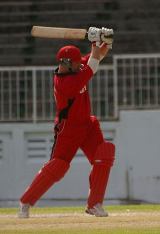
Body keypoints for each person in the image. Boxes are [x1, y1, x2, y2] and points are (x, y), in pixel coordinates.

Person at [18, 26, 115, 218]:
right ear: (66, 63)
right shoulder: (66, 83)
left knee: (104, 154)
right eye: (78, 63)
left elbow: (99, 55)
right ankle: (26, 202)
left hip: (88, 125)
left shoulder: (75, 67)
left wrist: (107, 41)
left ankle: (94, 204)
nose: (81, 64)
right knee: (58, 167)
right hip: (68, 129)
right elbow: (93, 65)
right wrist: (94, 42)